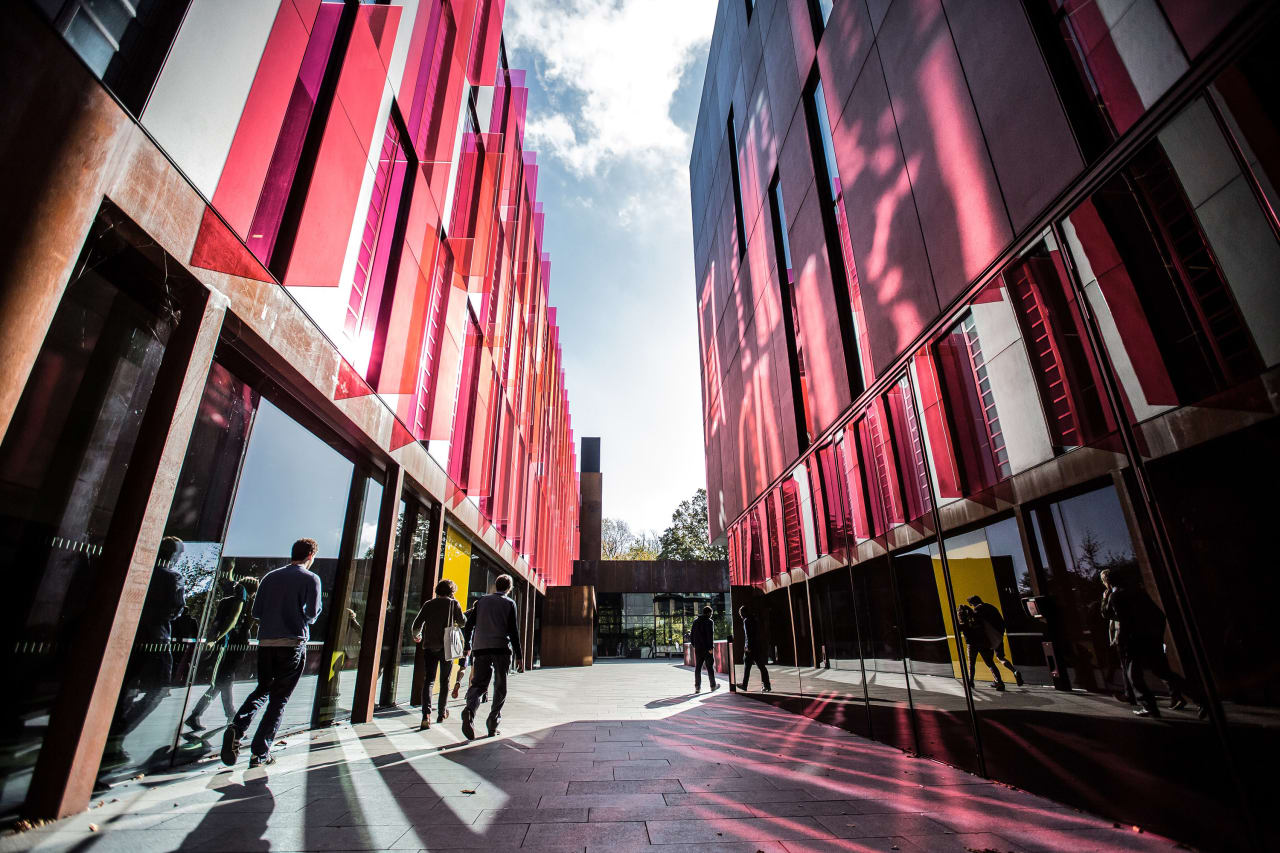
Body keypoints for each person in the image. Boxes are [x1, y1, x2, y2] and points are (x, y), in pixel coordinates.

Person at [222, 538, 322, 768]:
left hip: (266, 643)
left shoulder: (270, 577)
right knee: (279, 700)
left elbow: (257, 612)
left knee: (262, 689)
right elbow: (313, 613)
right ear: (310, 556)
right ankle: (260, 752)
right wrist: (298, 618)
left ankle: (237, 727)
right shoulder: (311, 579)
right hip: (292, 642)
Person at [102, 537, 187, 766]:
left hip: (128, 634)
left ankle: (110, 739)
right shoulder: (172, 577)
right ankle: (116, 736)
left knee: (126, 687)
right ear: (172, 556)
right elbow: (176, 609)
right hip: (157, 638)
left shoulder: (138, 570)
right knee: (159, 688)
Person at [1100, 569, 1198, 718]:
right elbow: (1158, 614)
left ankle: (1149, 706)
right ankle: (1201, 699)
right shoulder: (1137, 592)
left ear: (1107, 582)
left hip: (1133, 641)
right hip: (1150, 638)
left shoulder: (1116, 595)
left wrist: (1105, 598)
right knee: (1163, 672)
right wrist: (1157, 636)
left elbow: (1113, 616)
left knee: (1134, 675)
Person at [186, 576, 259, 731]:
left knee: (222, 682)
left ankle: (200, 714)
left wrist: (213, 639)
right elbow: (245, 624)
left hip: (224, 645)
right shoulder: (248, 604)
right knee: (225, 681)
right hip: (236, 646)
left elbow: (216, 623)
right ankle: (228, 715)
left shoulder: (225, 601)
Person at [460, 574, 522, 740]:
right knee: (500, 685)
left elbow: (468, 625)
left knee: (479, 684)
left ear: (496, 585)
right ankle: (493, 723)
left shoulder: (481, 601)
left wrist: (468, 645)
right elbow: (513, 631)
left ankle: (469, 710)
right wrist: (519, 656)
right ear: (509, 588)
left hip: (480, 648)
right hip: (501, 648)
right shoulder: (509, 603)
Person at [411, 578, 465, 730]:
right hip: (447, 646)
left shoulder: (429, 604)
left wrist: (417, 635)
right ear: (451, 591)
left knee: (429, 680)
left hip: (430, 645)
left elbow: (417, 623)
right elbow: (462, 622)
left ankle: (425, 716)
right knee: (445, 681)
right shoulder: (454, 604)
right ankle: (441, 712)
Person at [965, 595, 1023, 688]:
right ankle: (1014, 671)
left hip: (988, 639)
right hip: (998, 636)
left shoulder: (977, 611)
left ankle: (996, 681)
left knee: (988, 662)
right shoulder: (991, 607)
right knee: (1001, 657)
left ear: (972, 603)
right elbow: (1001, 622)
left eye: (971, 604)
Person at [957, 605, 1006, 691]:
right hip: (984, 644)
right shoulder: (978, 620)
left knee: (972, 664)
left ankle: (971, 681)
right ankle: (999, 682)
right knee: (990, 664)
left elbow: (958, 628)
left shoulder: (963, 624)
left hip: (972, 645)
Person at [737, 605, 771, 693]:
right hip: (757, 647)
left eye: (741, 613)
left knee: (747, 666)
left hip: (750, 648)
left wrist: (748, 647)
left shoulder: (746, 621)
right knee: (762, 667)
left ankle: (744, 685)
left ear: (743, 613)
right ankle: (767, 685)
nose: (740, 615)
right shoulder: (755, 619)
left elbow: (748, 635)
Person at [690, 606, 718, 693]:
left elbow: (692, 635)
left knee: (698, 667)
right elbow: (710, 635)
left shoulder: (695, 621)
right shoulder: (710, 622)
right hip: (707, 649)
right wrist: (710, 648)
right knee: (710, 667)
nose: (711, 615)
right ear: (709, 613)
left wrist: (694, 645)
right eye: (711, 614)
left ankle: (697, 687)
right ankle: (713, 686)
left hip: (698, 648)